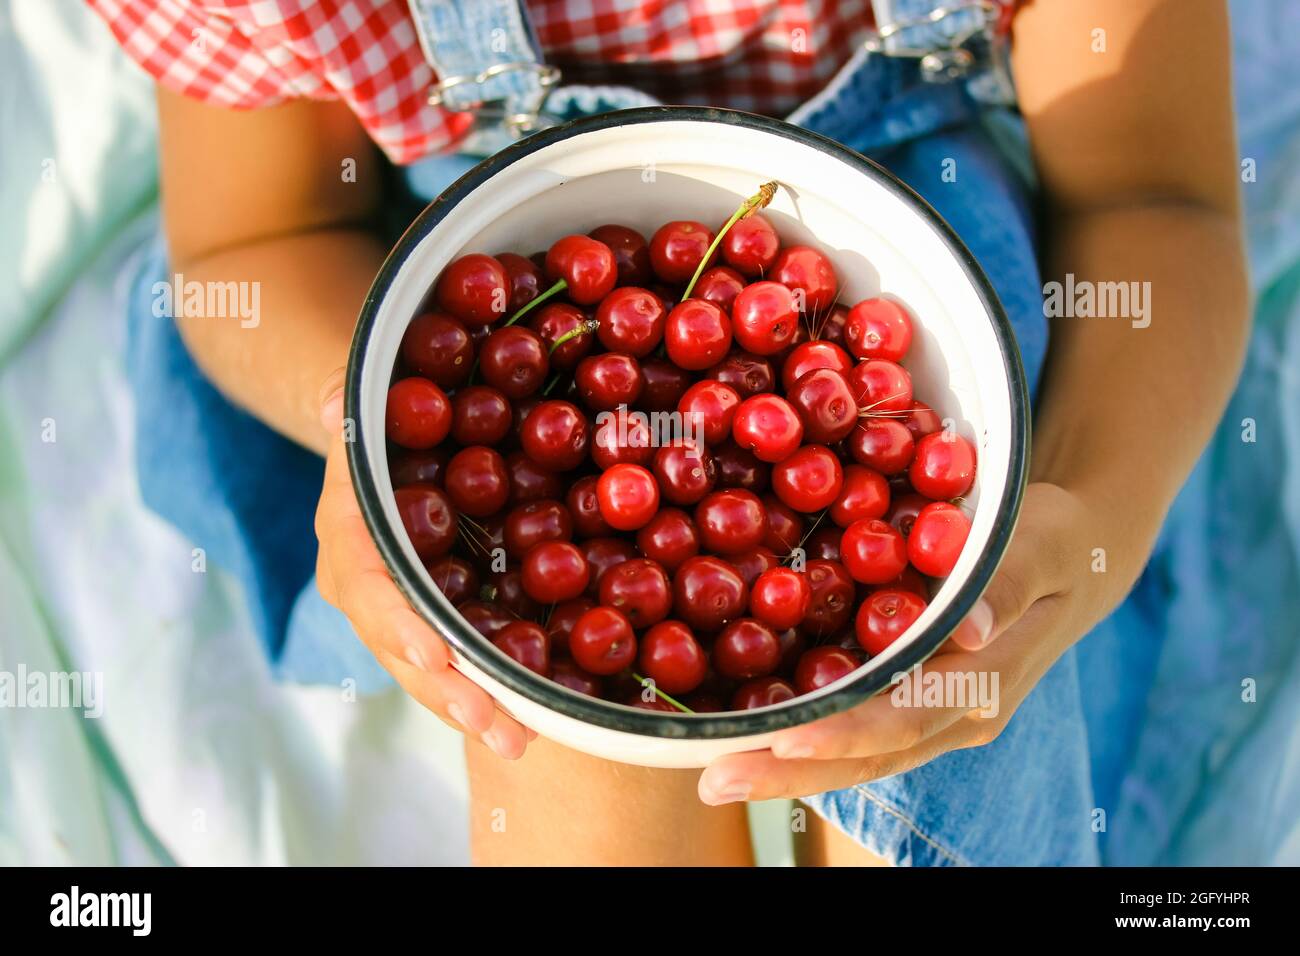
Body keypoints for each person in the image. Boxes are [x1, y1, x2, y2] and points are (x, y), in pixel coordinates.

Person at [88, 0, 1249, 865]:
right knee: (566, 719)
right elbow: (256, 242)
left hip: (914, 196)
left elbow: (1154, 199)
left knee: (942, 700)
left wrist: (1094, 512)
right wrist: (366, 425)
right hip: (444, 270)